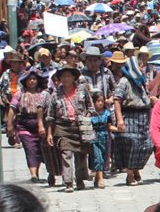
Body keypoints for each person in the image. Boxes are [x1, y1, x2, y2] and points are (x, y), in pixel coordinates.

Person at [43, 63, 92, 193]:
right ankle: (68, 182)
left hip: (79, 126)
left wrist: (85, 118)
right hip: (62, 127)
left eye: (68, 76)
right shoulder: (55, 94)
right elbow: (50, 116)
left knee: (81, 154)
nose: (66, 79)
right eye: (63, 76)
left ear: (73, 77)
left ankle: (80, 178)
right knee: (66, 153)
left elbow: (91, 107)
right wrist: (49, 133)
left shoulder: (82, 90)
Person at [114, 57, 154, 186]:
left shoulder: (141, 81)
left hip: (143, 117)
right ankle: (130, 174)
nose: (141, 68)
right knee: (132, 144)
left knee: (146, 145)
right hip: (129, 115)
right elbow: (117, 100)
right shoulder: (124, 82)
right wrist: (119, 119)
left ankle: (136, 168)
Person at [7, 66, 50, 183]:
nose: (32, 81)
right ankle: (33, 175)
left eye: (34, 79)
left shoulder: (44, 94)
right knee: (30, 149)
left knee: (39, 149)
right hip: (24, 124)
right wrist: (9, 125)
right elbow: (12, 109)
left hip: (40, 124)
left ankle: (36, 172)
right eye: (29, 79)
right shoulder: (20, 94)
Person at [89, 89, 119, 189]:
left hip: (105, 138)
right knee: (98, 158)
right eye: (98, 101)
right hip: (94, 138)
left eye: (102, 101)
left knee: (104, 158)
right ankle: (101, 179)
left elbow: (110, 127)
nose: (100, 103)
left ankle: (98, 177)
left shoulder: (107, 114)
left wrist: (119, 129)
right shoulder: (90, 113)